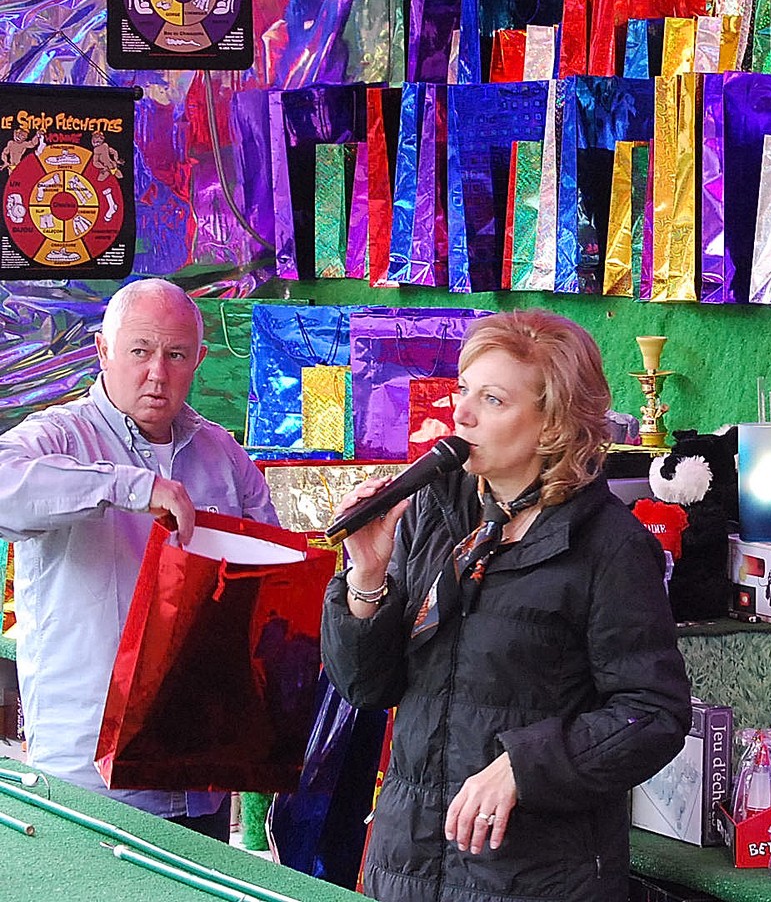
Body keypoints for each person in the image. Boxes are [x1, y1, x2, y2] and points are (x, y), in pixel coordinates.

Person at [322, 309, 691, 902]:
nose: (461, 412)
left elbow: (652, 713)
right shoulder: (432, 512)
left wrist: (523, 765)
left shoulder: (609, 546)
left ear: (553, 425)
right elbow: (366, 687)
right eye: (464, 390)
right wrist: (366, 575)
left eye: (492, 399)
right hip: (410, 865)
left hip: (537, 877)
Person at [0, 279, 276, 839]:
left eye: (175, 355)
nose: (158, 373)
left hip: (199, 767)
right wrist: (130, 487)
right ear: (103, 350)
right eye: (140, 351)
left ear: (199, 358)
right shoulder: (59, 435)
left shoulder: (221, 452)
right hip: (89, 777)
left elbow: (266, 573)